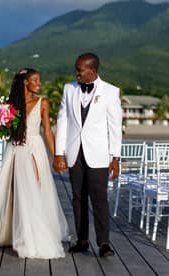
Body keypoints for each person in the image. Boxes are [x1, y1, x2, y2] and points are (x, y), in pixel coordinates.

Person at [0, 68, 69, 259]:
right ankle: (15, 234)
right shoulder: (10, 105)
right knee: (14, 191)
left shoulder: (42, 102)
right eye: (36, 80)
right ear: (25, 82)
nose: (39, 84)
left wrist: (57, 156)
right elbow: (5, 131)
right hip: (15, 150)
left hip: (34, 149)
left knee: (34, 190)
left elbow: (47, 131)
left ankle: (32, 237)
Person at [53, 53, 122, 258]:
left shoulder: (110, 92)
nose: (76, 73)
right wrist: (59, 153)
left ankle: (104, 243)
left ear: (91, 71)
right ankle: (82, 240)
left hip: (99, 155)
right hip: (75, 153)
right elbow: (62, 121)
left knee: (100, 198)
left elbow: (115, 127)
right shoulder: (69, 89)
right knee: (78, 197)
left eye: (79, 70)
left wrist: (115, 158)